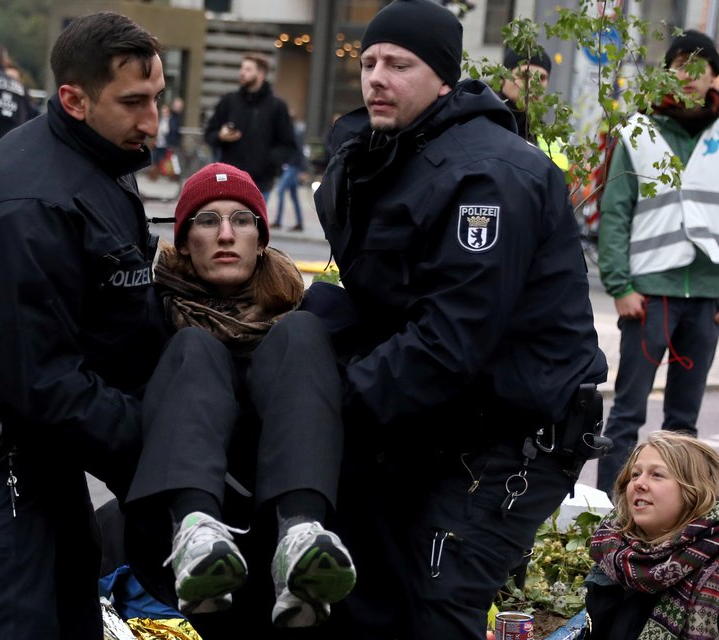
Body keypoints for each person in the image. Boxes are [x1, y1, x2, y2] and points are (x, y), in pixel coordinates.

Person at [306, 1, 608, 638]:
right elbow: (377, 299)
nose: (376, 78)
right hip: (440, 417)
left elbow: (449, 339)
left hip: (513, 432)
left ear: (443, 77)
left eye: (399, 64)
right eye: (368, 62)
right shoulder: (390, 155)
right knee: (380, 590)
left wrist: (324, 398)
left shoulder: (485, 175)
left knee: (440, 601)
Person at [0, 13, 168, 640]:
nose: (152, 121)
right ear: (74, 100)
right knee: (9, 622)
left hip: (45, 444)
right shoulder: (25, 203)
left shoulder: (97, 165)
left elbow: (116, 334)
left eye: (155, 99)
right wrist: (161, 446)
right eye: (133, 103)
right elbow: (41, 378)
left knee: (70, 610)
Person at [123, 162, 355, 631]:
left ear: (261, 239)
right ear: (186, 243)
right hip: (181, 542)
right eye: (208, 220)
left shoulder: (319, 314)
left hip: (289, 539)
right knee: (194, 347)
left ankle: (301, 535)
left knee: (300, 332)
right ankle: (196, 533)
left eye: (241, 220)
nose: (226, 234)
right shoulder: (147, 322)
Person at [595, 30, 719, 497]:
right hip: (648, 297)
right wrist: (620, 285)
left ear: (714, 77)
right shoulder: (637, 131)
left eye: (699, 66)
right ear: (665, 72)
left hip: (707, 298)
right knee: (627, 413)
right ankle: (610, 514)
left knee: (683, 423)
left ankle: (680, 521)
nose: (688, 75)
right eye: (680, 64)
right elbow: (615, 211)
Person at [585, 431, 719, 640]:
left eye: (657, 475)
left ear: (694, 491)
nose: (639, 483)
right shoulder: (613, 550)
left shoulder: (713, 570)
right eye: (635, 474)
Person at [203, 53, 297, 199]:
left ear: (261, 74)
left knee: (253, 222)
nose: (242, 72)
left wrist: (268, 161)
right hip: (229, 179)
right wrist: (220, 136)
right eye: (241, 68)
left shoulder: (277, 106)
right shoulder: (229, 101)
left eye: (248, 69)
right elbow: (209, 134)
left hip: (260, 183)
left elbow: (289, 145)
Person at [496, 45, 569, 171]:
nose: (532, 85)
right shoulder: (485, 123)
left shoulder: (552, 142)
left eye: (541, 78)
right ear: (503, 79)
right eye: (524, 75)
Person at [271, 117, 307, 231]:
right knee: (294, 195)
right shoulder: (291, 132)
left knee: (281, 191)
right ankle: (300, 223)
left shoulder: (296, 132)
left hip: (293, 167)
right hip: (290, 166)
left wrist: (302, 170)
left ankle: (278, 221)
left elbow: (300, 151)